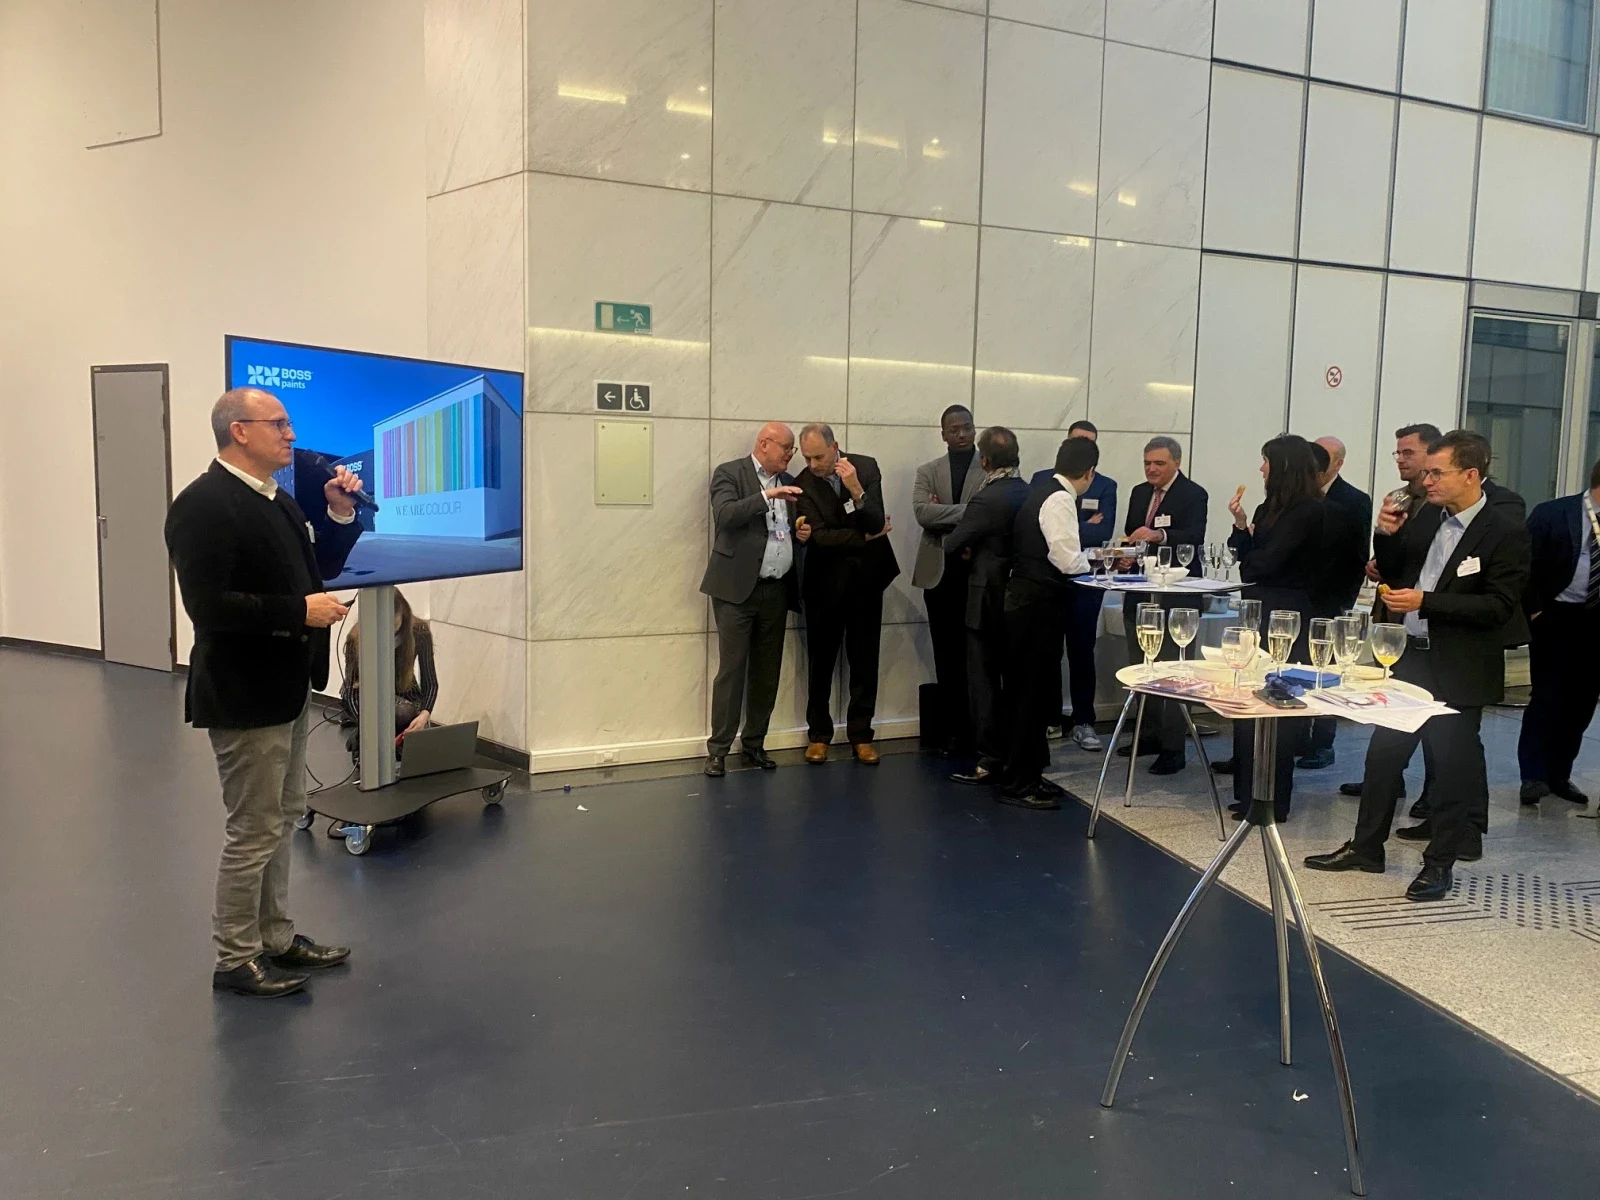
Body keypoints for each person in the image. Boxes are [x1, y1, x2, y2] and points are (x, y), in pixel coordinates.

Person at [165, 388, 364, 998]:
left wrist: (338, 514)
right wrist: (298, 612)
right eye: (279, 424)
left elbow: (319, 572)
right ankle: (235, 957)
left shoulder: (277, 500)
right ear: (240, 431)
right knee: (253, 829)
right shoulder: (201, 505)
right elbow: (209, 606)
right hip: (245, 690)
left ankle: (274, 938)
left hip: (286, 686)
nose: (291, 435)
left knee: (280, 818)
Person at [1306, 430, 1531, 901]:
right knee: (1383, 756)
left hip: (1460, 666)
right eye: (1425, 472)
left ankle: (1439, 863)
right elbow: (1398, 572)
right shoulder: (1428, 516)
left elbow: (1499, 606)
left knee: (1450, 770)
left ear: (1471, 474)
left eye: (1436, 473)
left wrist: (1427, 603)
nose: (1425, 481)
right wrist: (1385, 536)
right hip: (1409, 657)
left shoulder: (1503, 529)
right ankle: (1367, 847)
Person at [699, 422, 811, 777]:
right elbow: (725, 516)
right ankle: (718, 750)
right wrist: (767, 497)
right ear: (764, 444)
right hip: (735, 590)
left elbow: (787, 528)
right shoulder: (730, 473)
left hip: (776, 590)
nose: (790, 454)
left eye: (792, 449)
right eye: (786, 448)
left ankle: (754, 744)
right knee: (732, 671)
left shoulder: (790, 480)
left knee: (767, 671)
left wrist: (801, 533)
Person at [995, 435, 1100, 809]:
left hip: (1027, 605)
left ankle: (1030, 775)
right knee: (1028, 696)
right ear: (1089, 472)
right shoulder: (1060, 499)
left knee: (1032, 696)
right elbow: (1067, 559)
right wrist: (1100, 563)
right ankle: (1019, 783)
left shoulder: (1041, 491)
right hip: (1035, 608)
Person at [1225, 435, 1325, 822]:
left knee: (1277, 702)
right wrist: (1240, 526)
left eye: (1266, 461)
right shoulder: (1269, 507)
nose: (1261, 468)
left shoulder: (1307, 511)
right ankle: (1247, 791)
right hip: (1258, 604)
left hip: (1286, 612)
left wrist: (1251, 554)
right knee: (1247, 693)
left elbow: (1263, 563)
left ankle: (1273, 797)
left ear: (1283, 466)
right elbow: (1246, 557)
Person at [794, 423, 899, 765]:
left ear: (835, 446)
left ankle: (861, 735)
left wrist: (855, 489)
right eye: (807, 458)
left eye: (818, 457)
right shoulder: (802, 483)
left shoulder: (865, 467)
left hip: (867, 580)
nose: (813, 464)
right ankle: (819, 735)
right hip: (824, 583)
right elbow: (820, 537)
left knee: (865, 661)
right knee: (821, 663)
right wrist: (864, 538)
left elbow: (874, 519)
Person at [942, 427, 1030, 786]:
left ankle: (989, 759)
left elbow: (953, 544)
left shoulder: (986, 499)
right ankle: (1016, 755)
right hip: (1020, 600)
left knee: (984, 683)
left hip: (985, 601)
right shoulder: (1031, 494)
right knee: (1018, 682)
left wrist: (970, 549)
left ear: (984, 460)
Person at [1119, 436, 1208, 774]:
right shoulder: (1139, 492)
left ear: (1177, 463)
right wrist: (1128, 553)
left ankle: (1173, 748)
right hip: (1141, 592)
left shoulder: (1194, 494)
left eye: (1159, 463)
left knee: (1173, 672)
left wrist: (1160, 536)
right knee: (1142, 667)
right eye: (1147, 463)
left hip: (1177, 597)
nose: (1151, 469)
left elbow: (1195, 535)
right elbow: (1132, 531)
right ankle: (1148, 735)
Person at [1516, 457, 1600, 807]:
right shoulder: (1554, 513)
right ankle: (1533, 776)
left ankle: (1559, 774)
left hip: (1596, 619)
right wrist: (1535, 610)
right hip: (1556, 615)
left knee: (1583, 702)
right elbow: (1525, 563)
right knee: (1547, 696)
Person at [1030, 419, 1116, 751]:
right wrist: (1081, 524)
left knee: (1082, 650)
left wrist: (1073, 528)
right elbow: (1047, 531)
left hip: (1086, 585)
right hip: (1051, 581)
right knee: (1048, 652)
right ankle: (1050, 718)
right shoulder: (1043, 481)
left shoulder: (1105, 485)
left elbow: (1102, 532)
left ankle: (1084, 721)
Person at [1299, 436, 1371, 770]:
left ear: (1338, 463)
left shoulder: (1354, 500)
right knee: (1297, 669)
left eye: (1324, 457)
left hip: (1330, 600)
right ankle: (1296, 735)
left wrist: (1344, 603)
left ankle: (1323, 742)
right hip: (1298, 598)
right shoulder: (1299, 494)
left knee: (1325, 671)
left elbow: (1356, 557)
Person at [912, 406, 981, 756]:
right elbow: (922, 513)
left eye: (966, 427)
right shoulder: (928, 471)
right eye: (954, 429)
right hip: (938, 572)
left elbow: (991, 512)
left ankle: (978, 731)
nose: (961, 434)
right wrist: (969, 510)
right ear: (943, 434)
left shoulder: (990, 468)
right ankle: (954, 731)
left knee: (976, 655)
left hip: (977, 572)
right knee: (946, 654)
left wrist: (944, 512)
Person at [338, 589, 438, 754]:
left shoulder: (420, 631)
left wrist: (424, 715)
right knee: (398, 714)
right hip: (368, 698)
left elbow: (431, 682)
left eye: (394, 625)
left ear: (403, 615)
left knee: (410, 717)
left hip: (405, 694)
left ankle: (381, 740)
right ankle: (370, 737)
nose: (388, 633)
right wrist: (367, 725)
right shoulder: (356, 637)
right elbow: (351, 692)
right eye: (382, 627)